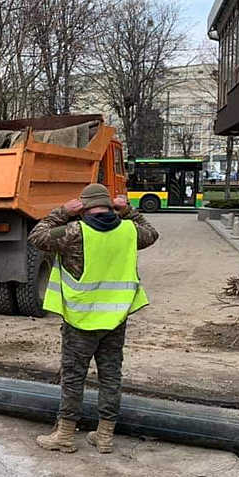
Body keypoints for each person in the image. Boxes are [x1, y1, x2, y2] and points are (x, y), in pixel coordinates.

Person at [28, 184, 159, 454]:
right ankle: (105, 436)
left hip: (81, 319)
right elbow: (152, 233)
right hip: (116, 318)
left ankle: (64, 436)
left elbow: (37, 236)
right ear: (111, 206)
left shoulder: (75, 232)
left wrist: (62, 211)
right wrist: (130, 211)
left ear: (84, 208)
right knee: (111, 376)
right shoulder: (129, 230)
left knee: (74, 378)